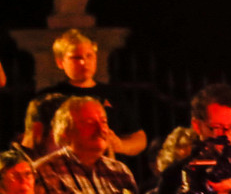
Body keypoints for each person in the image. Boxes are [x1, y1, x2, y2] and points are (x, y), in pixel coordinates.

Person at [21, 30, 147, 161]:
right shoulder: (48, 98)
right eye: (76, 58)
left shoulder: (112, 94)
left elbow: (139, 138)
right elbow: (30, 139)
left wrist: (120, 145)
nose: (83, 62)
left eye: (89, 56)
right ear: (60, 62)